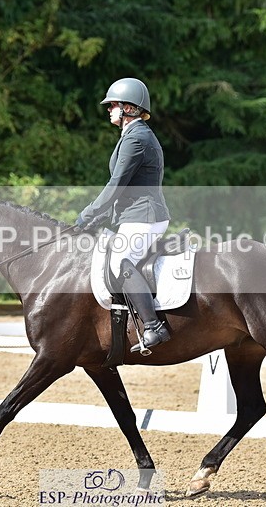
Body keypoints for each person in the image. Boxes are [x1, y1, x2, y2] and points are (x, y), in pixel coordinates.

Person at [75, 77, 171, 353]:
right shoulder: (132, 135)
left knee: (121, 261)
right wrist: (99, 218)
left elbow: (117, 183)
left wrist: (88, 214)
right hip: (132, 215)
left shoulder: (137, 139)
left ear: (128, 108)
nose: (108, 110)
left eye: (112, 105)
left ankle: (153, 326)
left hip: (145, 216)